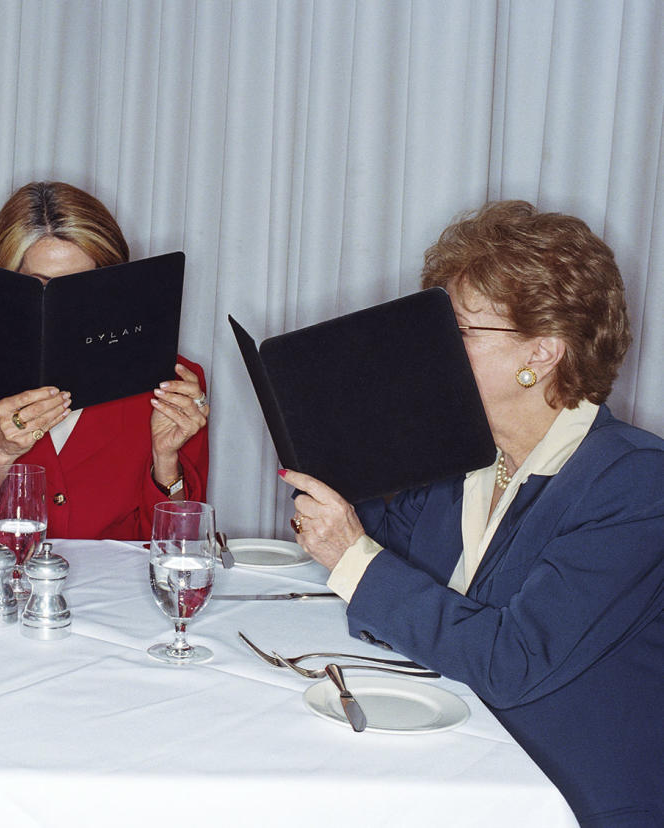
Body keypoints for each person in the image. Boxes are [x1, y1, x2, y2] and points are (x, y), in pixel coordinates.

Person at [280, 201, 664, 824]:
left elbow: (512, 661)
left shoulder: (636, 483)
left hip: (567, 792)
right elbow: (380, 595)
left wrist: (352, 557)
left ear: (541, 354)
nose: (429, 348)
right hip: (455, 757)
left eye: (459, 331)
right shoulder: (461, 458)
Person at [0, 181, 209, 540]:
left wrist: (165, 461)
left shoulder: (173, 383)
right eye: (41, 286)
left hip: (117, 593)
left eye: (82, 286)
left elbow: (180, 551)